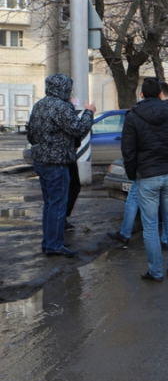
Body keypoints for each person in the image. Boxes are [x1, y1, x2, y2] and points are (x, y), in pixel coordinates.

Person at [122, 77, 168, 281]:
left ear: (141, 94)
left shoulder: (133, 116)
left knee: (150, 226)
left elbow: (128, 151)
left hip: (147, 176)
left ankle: (156, 272)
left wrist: (134, 174)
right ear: (160, 94)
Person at [27, 73, 95, 257]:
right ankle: (54, 245)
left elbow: (30, 135)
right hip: (57, 162)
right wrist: (89, 111)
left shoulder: (39, 105)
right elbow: (79, 129)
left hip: (41, 160)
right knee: (57, 204)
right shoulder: (62, 107)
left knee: (50, 203)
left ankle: (48, 242)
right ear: (64, 88)